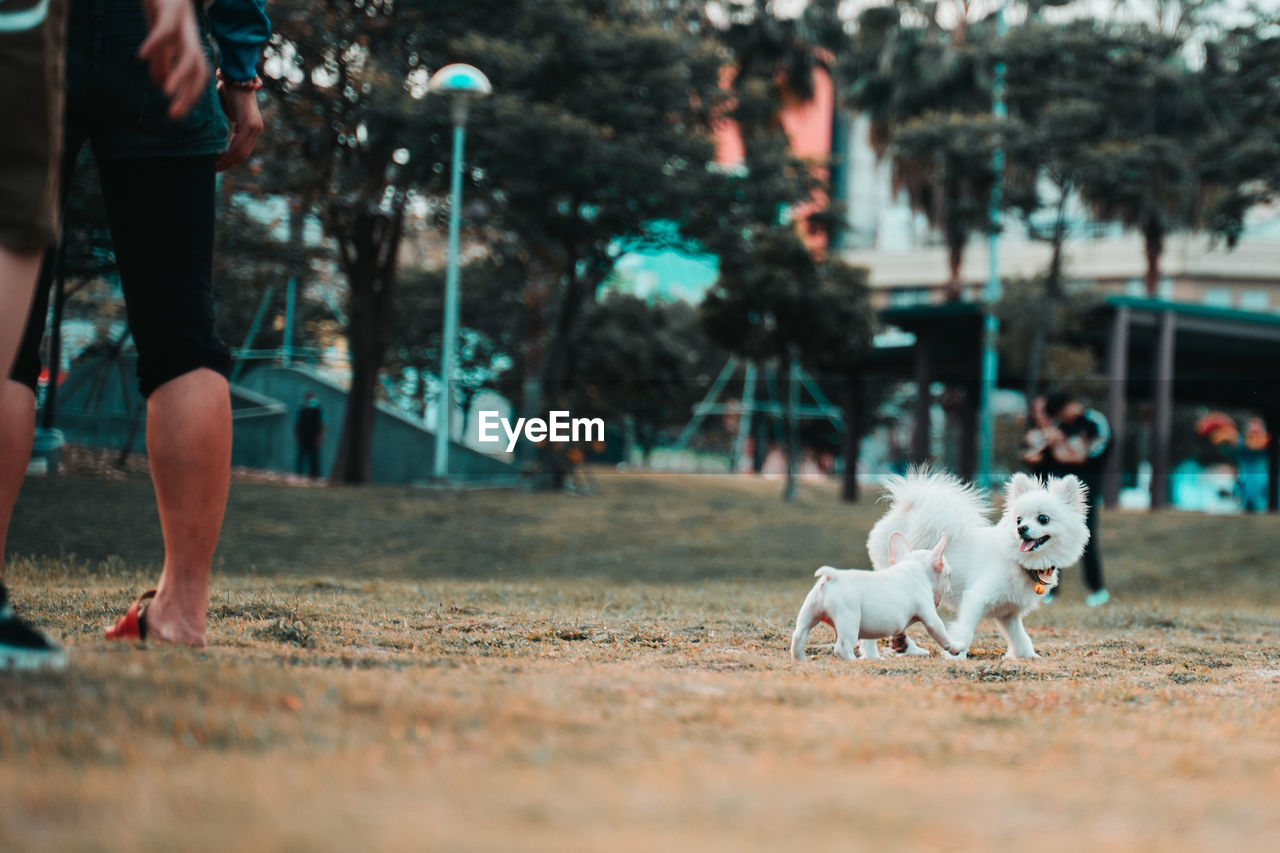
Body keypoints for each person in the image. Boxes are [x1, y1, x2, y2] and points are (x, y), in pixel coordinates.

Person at [1, 0, 271, 670]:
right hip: (156, 30)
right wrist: (240, 74)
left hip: (28, 22)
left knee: (10, 339)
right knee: (182, 331)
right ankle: (181, 613)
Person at [1022, 390, 1111, 607]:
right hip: (1056, 495)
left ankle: (1097, 589)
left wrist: (1059, 442)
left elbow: (1080, 456)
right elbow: (1033, 455)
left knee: (1087, 538)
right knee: (1048, 538)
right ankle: (1046, 589)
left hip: (1085, 493)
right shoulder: (1059, 427)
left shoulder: (1094, 423)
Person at [294, 392, 325, 479]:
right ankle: (298, 475)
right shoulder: (301, 411)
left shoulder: (319, 411)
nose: (310, 401)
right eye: (308, 399)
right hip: (303, 438)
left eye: (312, 399)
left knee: (314, 459)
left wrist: (319, 438)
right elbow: (296, 425)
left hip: (314, 438)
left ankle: (314, 477)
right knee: (300, 458)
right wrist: (297, 437)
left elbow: (323, 426)